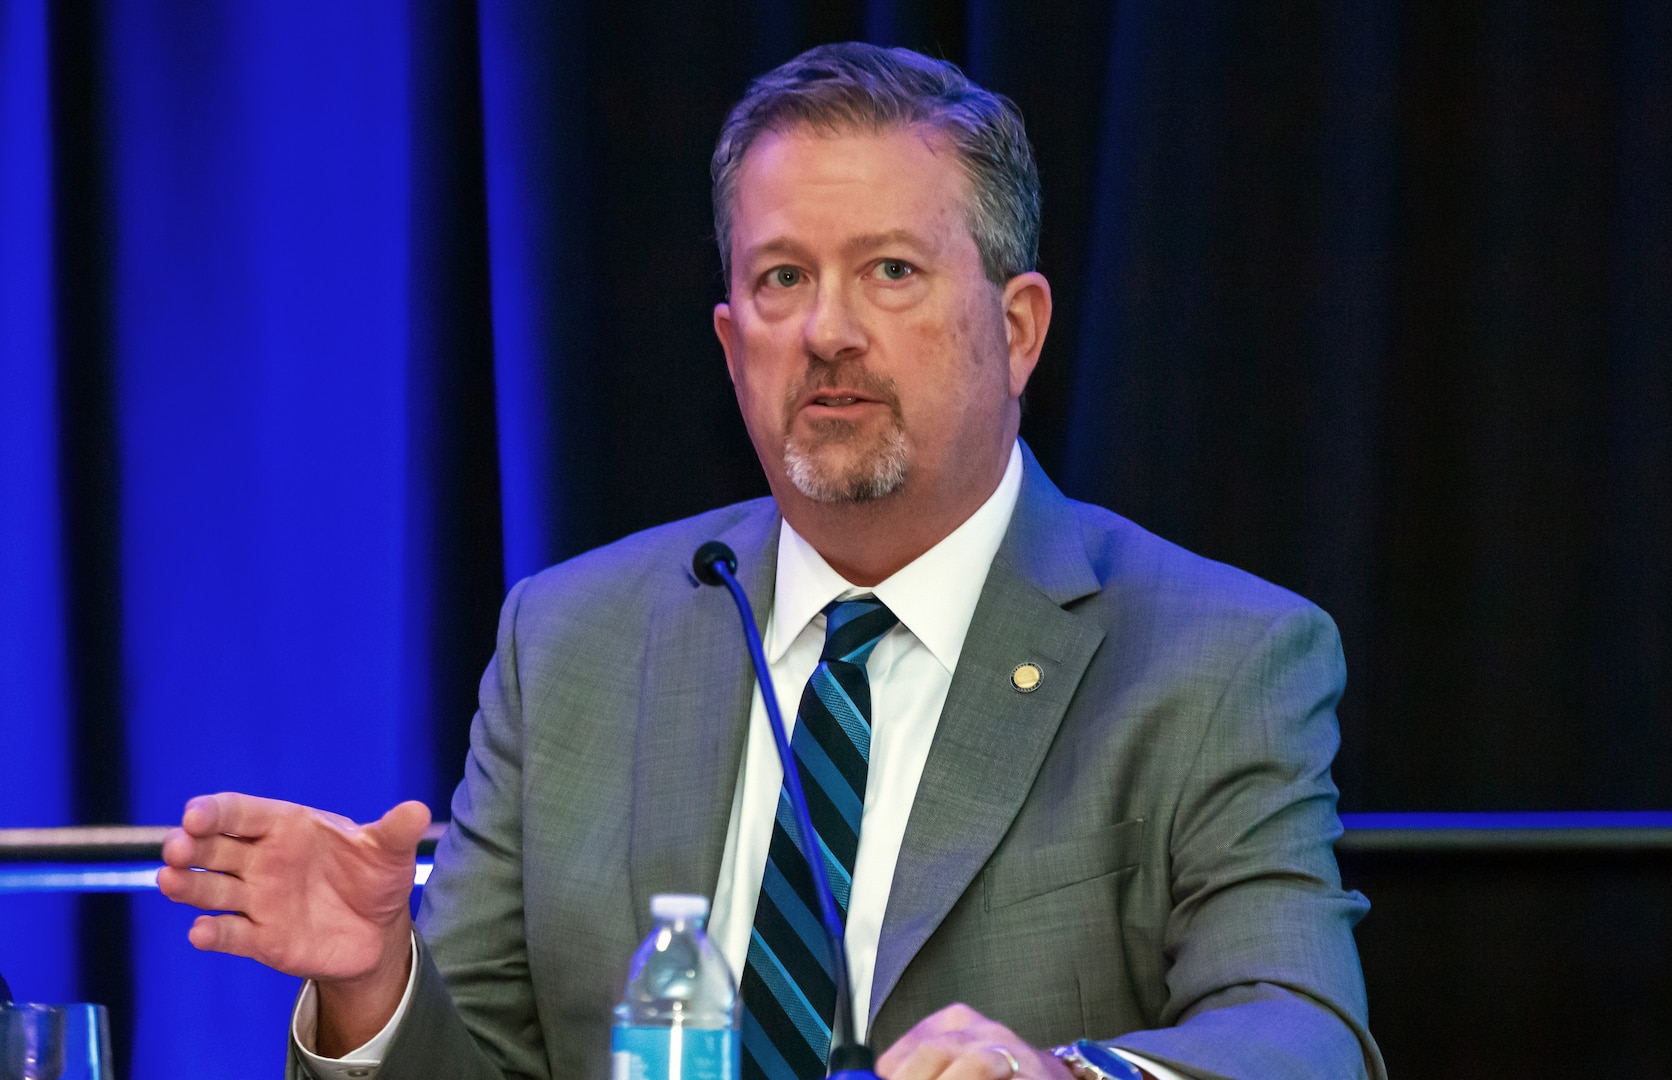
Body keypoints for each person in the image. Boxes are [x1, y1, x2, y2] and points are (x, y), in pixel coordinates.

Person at [159, 43, 1384, 1080]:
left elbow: (1304, 1031)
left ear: (1017, 330)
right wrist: (376, 981)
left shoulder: (1212, 655)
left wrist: (1063, 1075)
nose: (829, 331)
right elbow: (476, 1058)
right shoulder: (571, 640)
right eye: (781, 279)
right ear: (731, 340)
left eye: (890, 272)